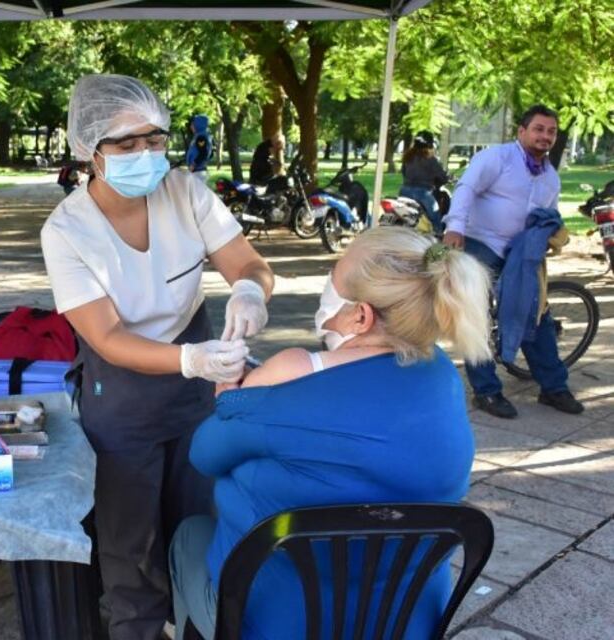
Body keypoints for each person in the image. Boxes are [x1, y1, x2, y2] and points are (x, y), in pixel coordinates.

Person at [169, 226, 492, 640]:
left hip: (279, 621)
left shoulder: (290, 371)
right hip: (404, 620)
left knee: (189, 536)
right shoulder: (445, 379)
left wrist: (231, 399)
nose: (327, 288)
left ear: (361, 315)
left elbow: (205, 453)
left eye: (334, 278)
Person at [40, 74, 274, 640]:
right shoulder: (67, 230)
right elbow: (109, 337)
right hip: (120, 393)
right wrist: (190, 359)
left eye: (156, 139)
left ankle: (196, 622)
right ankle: (137, 629)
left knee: (199, 520)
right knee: (131, 542)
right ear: (88, 151)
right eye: (127, 143)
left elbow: (249, 263)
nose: (146, 153)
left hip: (194, 394)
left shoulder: (185, 192)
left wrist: (248, 290)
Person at [443, 104, 584, 418]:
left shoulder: (550, 177)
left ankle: (554, 387)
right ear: (522, 131)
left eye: (551, 131)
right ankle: (487, 392)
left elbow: (549, 214)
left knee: (535, 314)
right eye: (539, 129)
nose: (545, 136)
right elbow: (466, 188)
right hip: (481, 243)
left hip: (520, 253)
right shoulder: (497, 158)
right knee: (475, 314)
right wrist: (455, 227)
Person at [400, 130, 449, 234]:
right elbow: (442, 177)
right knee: (435, 214)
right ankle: (439, 235)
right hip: (422, 193)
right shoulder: (430, 159)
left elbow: (403, 172)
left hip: (404, 191)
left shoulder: (407, 157)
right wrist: (445, 178)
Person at [185, 115, 213, 182]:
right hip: (199, 171)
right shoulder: (203, 135)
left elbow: (203, 153)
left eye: (193, 124)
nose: (191, 127)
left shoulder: (201, 137)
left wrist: (193, 165)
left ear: (198, 125)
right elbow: (210, 154)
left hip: (198, 172)